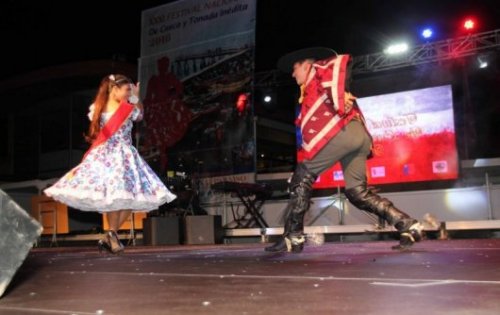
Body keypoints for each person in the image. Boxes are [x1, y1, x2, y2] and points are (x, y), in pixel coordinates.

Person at [265, 47, 424, 253]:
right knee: (357, 192)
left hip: (343, 133)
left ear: (307, 65)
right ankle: (407, 224)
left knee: (301, 177)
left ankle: (293, 236)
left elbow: (335, 69)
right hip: (359, 136)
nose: (293, 74)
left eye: (295, 68)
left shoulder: (318, 76)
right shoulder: (318, 85)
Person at [44, 74, 176, 254]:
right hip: (108, 157)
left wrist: (135, 97)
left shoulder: (125, 107)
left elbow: (140, 116)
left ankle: (110, 234)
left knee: (130, 197)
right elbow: (113, 125)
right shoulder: (99, 108)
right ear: (114, 89)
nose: (129, 93)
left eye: (130, 90)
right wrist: (134, 100)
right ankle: (111, 236)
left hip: (126, 156)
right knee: (114, 197)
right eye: (127, 90)